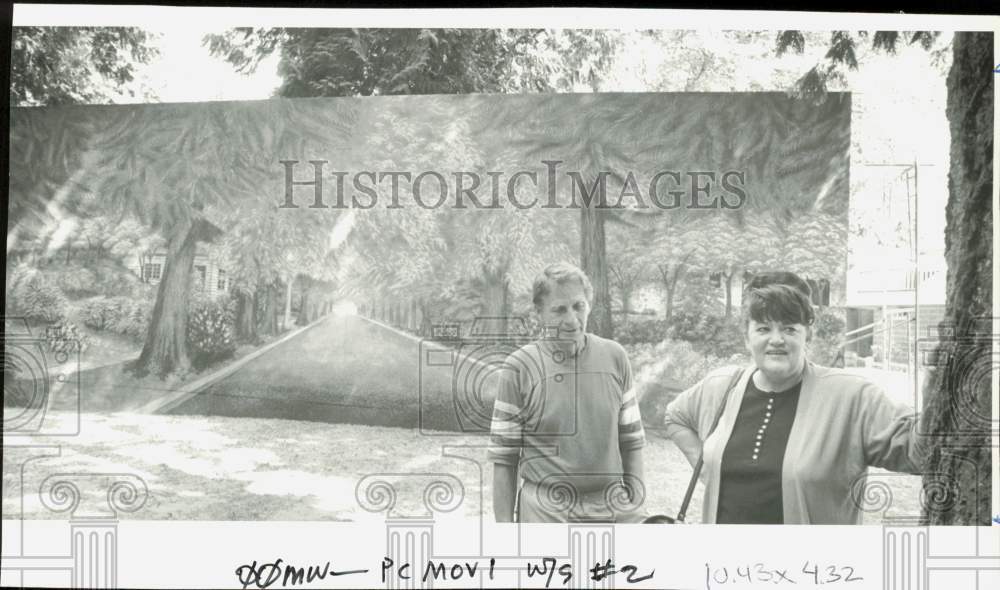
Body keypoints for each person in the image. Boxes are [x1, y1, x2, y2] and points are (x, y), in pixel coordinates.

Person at [663, 271, 925, 525]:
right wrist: (707, 468)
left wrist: (940, 378)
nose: (776, 340)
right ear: (747, 337)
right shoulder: (721, 387)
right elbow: (675, 416)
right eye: (764, 328)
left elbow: (919, 449)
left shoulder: (851, 396)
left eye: (789, 329)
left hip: (809, 567)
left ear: (807, 335)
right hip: (726, 566)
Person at [488, 262, 646, 522]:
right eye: (559, 310)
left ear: (589, 305)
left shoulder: (615, 357)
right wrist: (505, 532)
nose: (572, 320)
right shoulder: (519, 368)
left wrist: (636, 505)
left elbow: (632, 441)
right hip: (546, 510)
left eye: (578, 306)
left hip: (610, 504)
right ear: (539, 313)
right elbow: (504, 458)